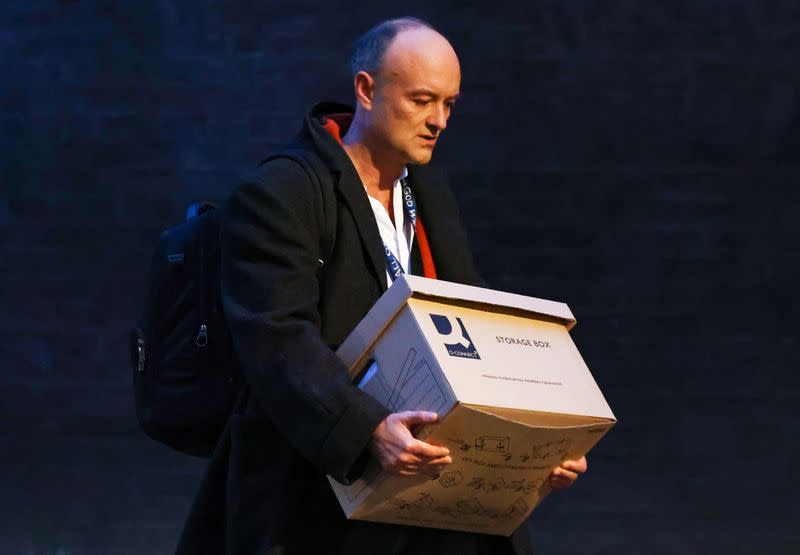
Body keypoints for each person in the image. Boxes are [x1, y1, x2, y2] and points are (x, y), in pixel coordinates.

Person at [175, 17, 587, 555]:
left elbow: (473, 315)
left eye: (449, 104)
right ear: (367, 90)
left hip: (431, 486)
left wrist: (533, 441)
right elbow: (277, 342)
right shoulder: (283, 192)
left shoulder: (427, 192)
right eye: (421, 100)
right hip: (317, 495)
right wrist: (367, 430)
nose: (438, 120)